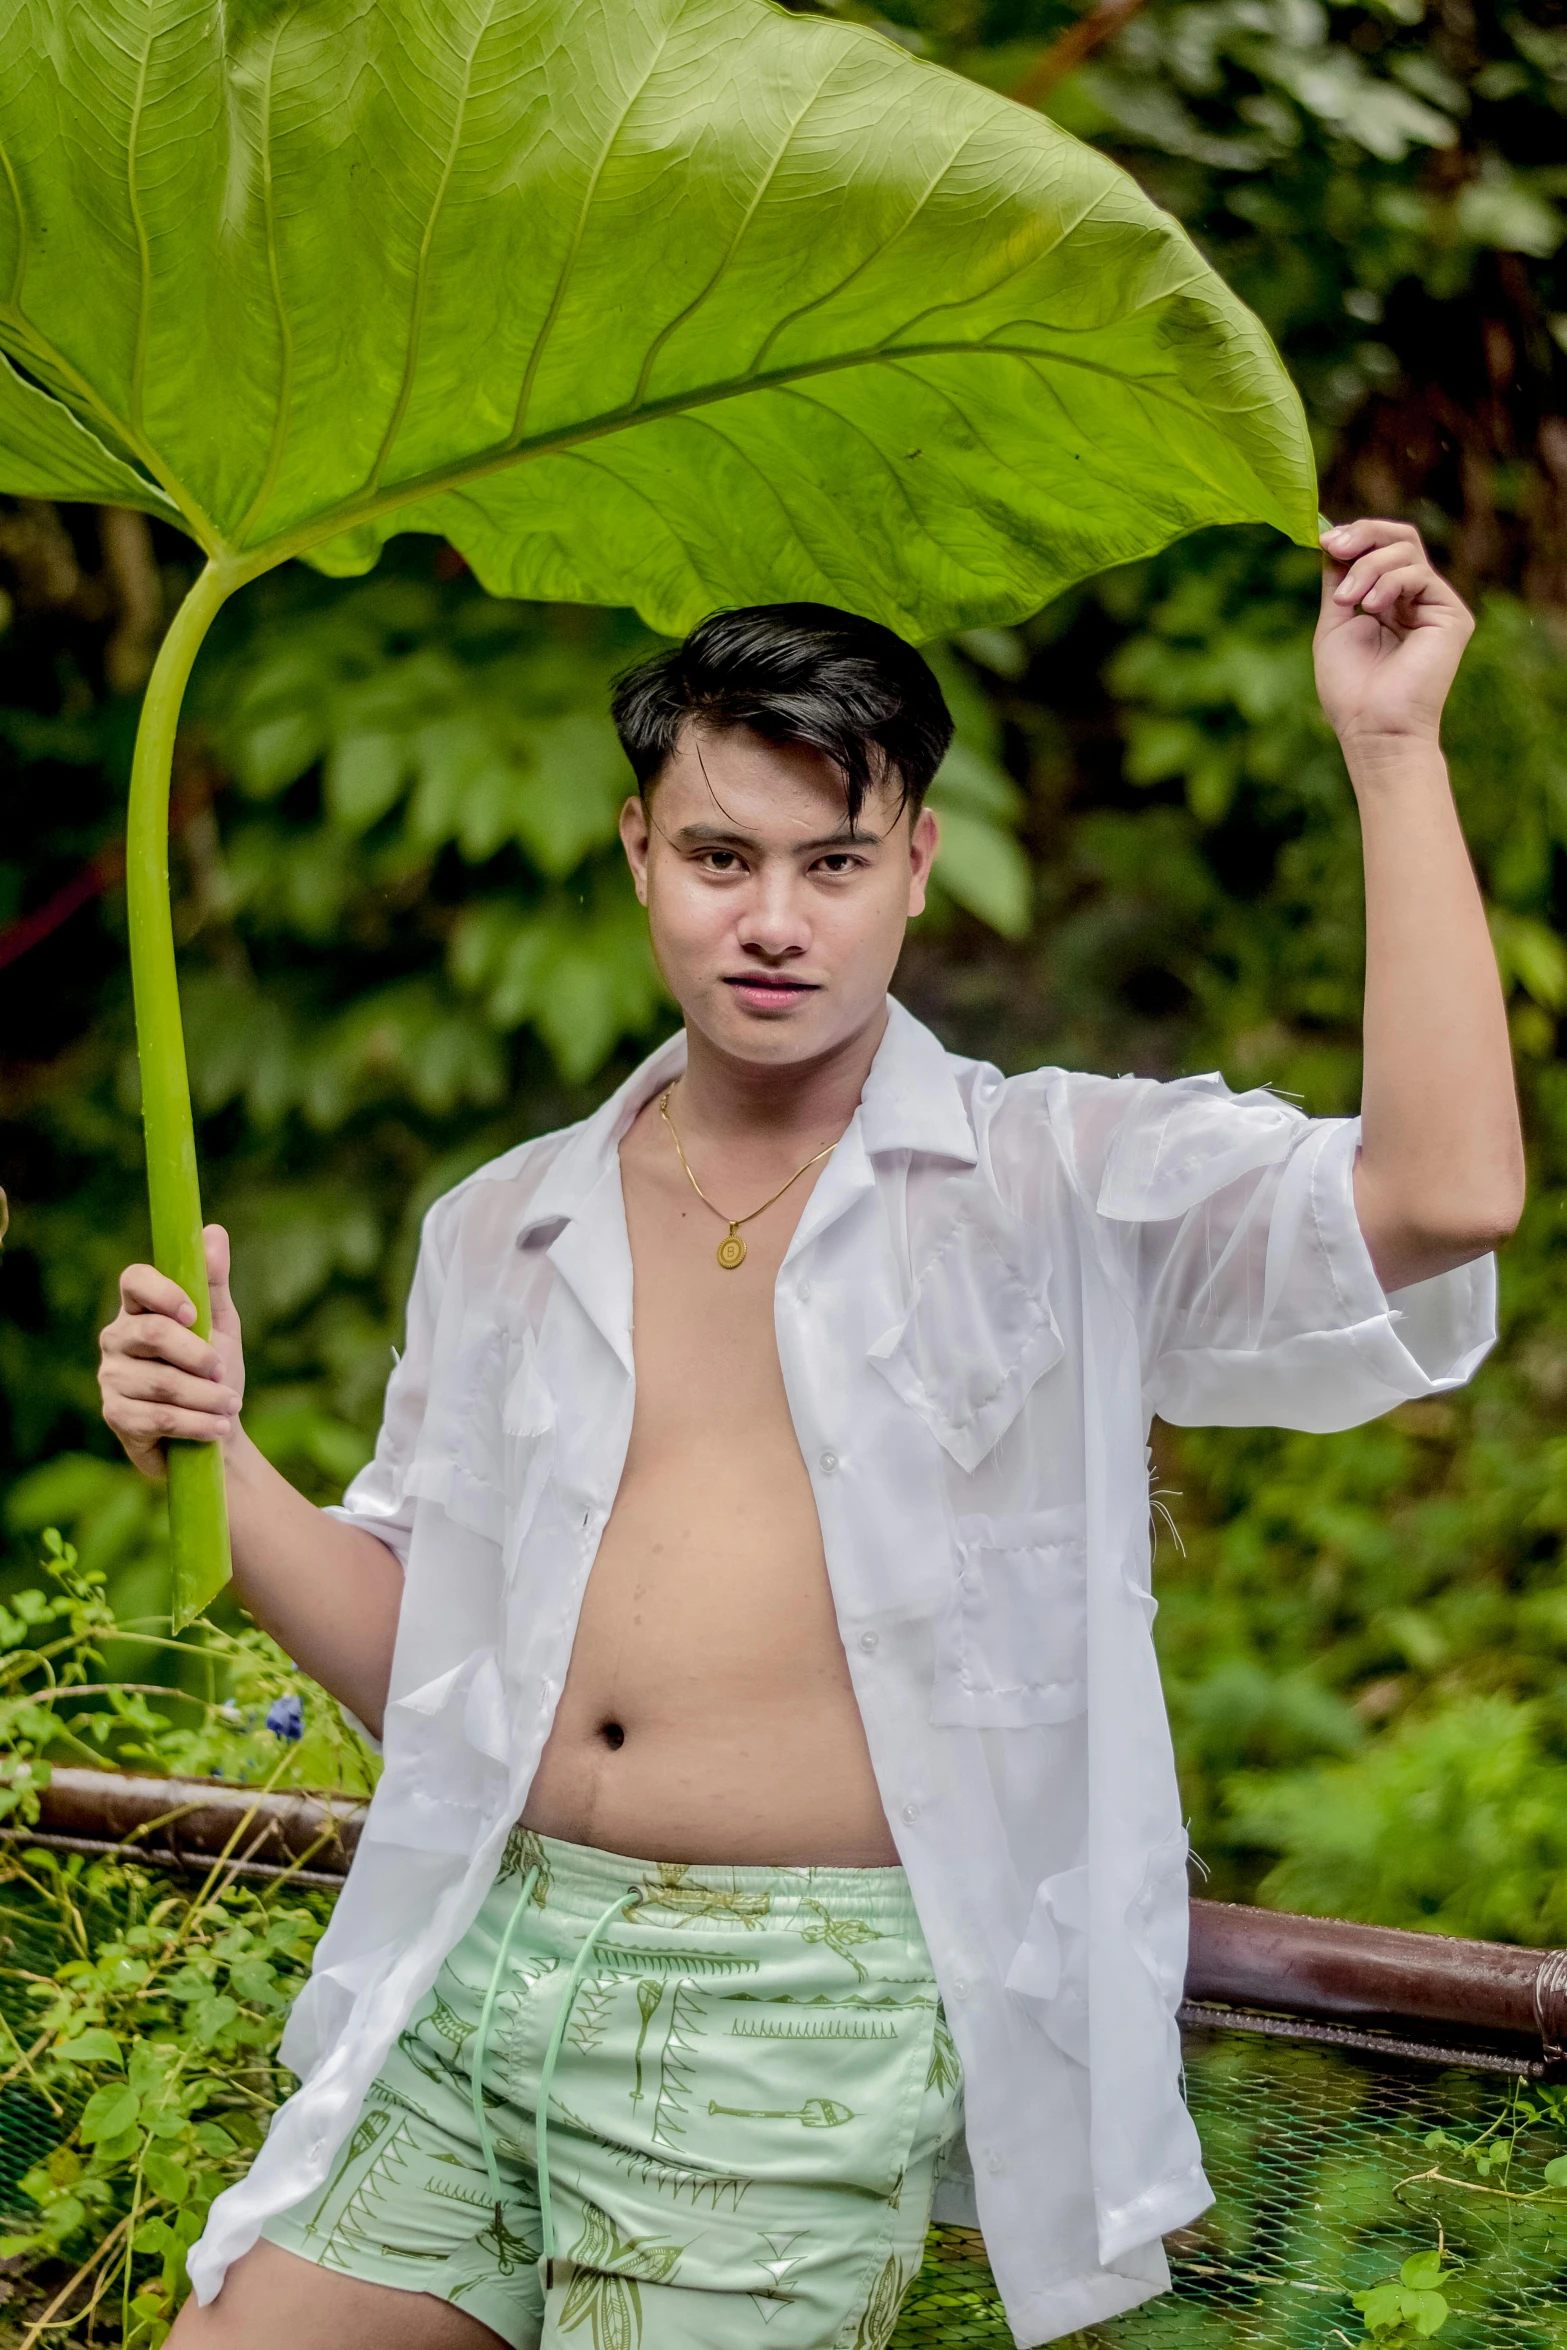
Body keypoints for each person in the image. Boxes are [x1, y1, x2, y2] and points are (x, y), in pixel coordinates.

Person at [99, 518, 1521, 2350]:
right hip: (478, 1958)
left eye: (831, 861)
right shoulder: (503, 1220)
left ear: (915, 865)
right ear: (638, 856)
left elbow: (1446, 1189)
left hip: (793, 2014)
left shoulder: (1046, 1179)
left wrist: (1391, 753)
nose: (774, 918)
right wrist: (221, 1453)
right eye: (718, 855)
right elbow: (425, 1665)